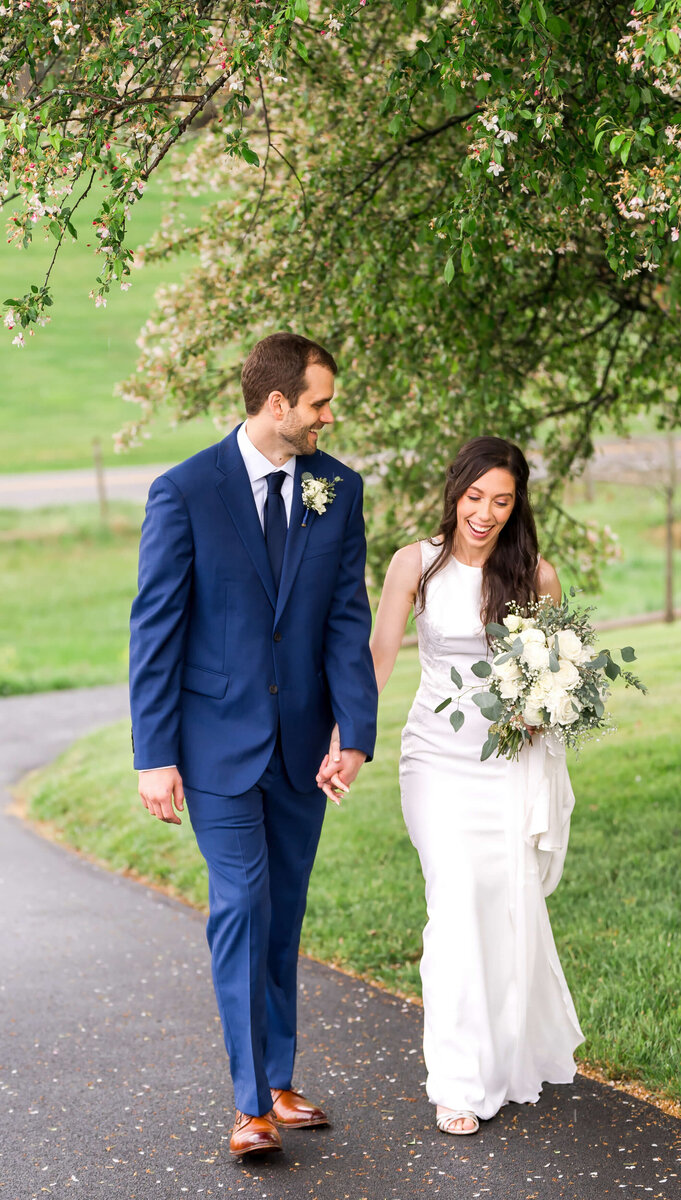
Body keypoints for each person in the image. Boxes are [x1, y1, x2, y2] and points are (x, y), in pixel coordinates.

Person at [129, 332, 378, 1158]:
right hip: (216, 747)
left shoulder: (338, 490)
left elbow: (347, 618)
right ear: (278, 405)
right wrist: (153, 754)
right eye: (318, 403)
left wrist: (355, 733)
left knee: (284, 914)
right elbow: (156, 631)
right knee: (242, 903)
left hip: (304, 748)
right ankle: (249, 1107)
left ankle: (278, 1075)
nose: (327, 417)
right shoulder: (186, 491)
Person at [353, 436, 583, 1135]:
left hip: (506, 765)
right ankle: (455, 1080)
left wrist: (542, 712)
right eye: (475, 496)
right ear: (455, 492)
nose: (485, 512)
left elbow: (553, 676)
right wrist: (347, 739)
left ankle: (504, 1057)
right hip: (435, 760)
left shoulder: (535, 577)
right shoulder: (414, 564)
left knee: (504, 904)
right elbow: (381, 655)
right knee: (454, 904)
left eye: (502, 501)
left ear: (517, 507)